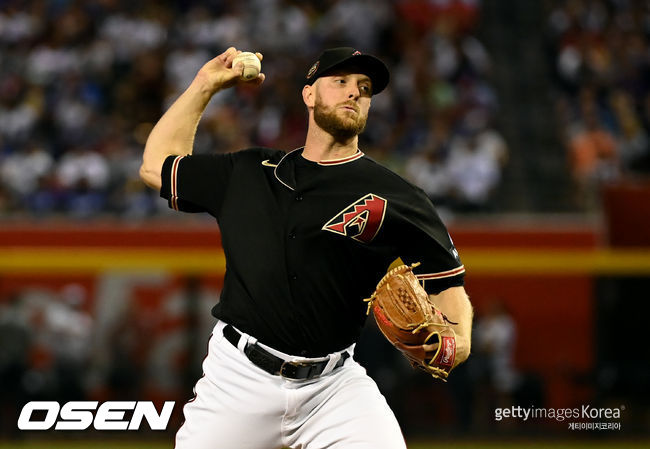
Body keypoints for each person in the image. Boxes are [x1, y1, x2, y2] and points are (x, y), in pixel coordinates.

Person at [140, 46, 473, 449]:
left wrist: (457, 342)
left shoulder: (398, 196)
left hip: (334, 387)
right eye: (341, 81)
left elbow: (448, 284)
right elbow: (155, 165)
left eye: (364, 88)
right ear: (309, 95)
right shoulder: (248, 173)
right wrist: (205, 85)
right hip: (239, 378)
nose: (355, 93)